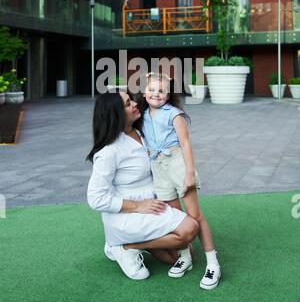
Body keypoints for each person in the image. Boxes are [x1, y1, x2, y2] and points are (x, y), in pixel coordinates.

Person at [87, 91, 199, 281]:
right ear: (116, 114)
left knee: (184, 253)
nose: (134, 105)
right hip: (127, 214)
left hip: (153, 204)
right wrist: (138, 206)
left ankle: (130, 244)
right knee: (189, 228)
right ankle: (125, 247)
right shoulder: (108, 152)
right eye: (128, 103)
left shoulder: (142, 130)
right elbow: (95, 199)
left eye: (131, 100)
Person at [138, 72, 221, 290]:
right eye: (152, 89)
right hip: (158, 168)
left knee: (195, 216)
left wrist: (189, 173)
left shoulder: (174, 114)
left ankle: (213, 263)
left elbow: (185, 144)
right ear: (144, 92)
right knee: (175, 217)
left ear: (168, 95)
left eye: (162, 90)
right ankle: (185, 257)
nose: (156, 93)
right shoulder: (142, 115)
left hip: (177, 164)